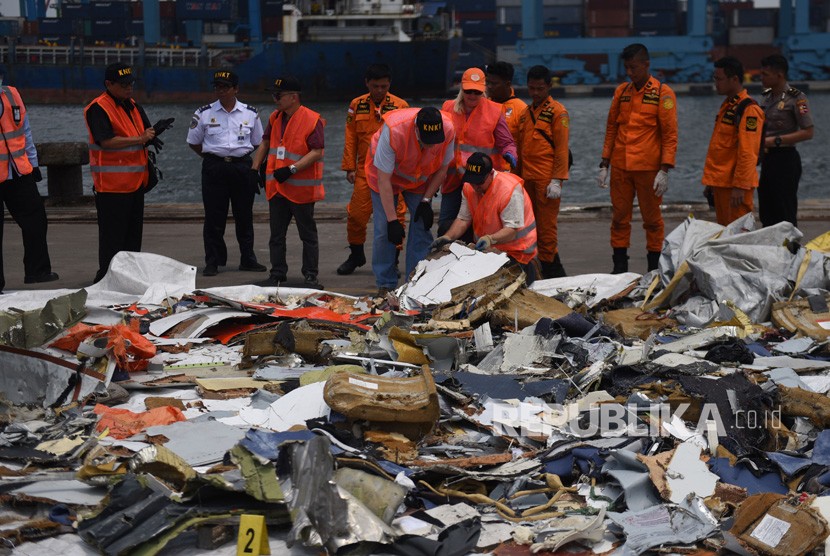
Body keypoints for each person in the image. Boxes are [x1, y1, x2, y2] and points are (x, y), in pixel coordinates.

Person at [598, 43, 678, 274]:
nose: (630, 73)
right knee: (619, 219)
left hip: (649, 169)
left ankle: (654, 269)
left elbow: (670, 135)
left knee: (652, 221)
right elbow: (611, 128)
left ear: (646, 65)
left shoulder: (663, 94)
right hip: (621, 168)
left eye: (634, 68)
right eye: (627, 68)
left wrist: (664, 170)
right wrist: (605, 163)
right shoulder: (621, 92)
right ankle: (619, 268)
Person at [366, 106, 455, 295]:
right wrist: (392, 220)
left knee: (422, 227)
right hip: (385, 177)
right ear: (416, 130)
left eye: (434, 142)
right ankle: (386, 284)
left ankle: (416, 282)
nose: (431, 146)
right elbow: (383, 179)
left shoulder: (448, 129)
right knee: (384, 231)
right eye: (426, 141)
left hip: (418, 180)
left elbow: (442, 169)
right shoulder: (394, 131)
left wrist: (426, 200)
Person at [187, 70, 266, 277]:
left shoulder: (251, 113)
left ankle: (247, 258)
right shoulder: (203, 113)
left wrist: (249, 165)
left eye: (225, 87)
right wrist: (213, 158)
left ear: (236, 89)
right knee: (214, 216)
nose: (220, 90)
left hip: (242, 167)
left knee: (244, 216)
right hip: (215, 168)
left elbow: (258, 142)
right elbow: (193, 142)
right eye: (217, 87)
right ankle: (213, 261)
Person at [250, 76, 325, 289]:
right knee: (276, 235)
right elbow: (265, 142)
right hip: (278, 187)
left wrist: (292, 169)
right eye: (274, 95)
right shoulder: (275, 117)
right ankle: (277, 274)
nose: (275, 99)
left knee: (307, 234)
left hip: (301, 189)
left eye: (278, 95)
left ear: (293, 97)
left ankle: (310, 275)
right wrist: (254, 169)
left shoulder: (312, 119)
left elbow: (317, 151)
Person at [84, 62, 155, 283]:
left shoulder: (132, 105)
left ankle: (130, 280)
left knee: (132, 240)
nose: (129, 88)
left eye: (131, 83)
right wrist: (141, 138)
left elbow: (145, 131)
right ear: (109, 84)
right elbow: (105, 141)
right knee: (112, 241)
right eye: (124, 84)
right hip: (112, 187)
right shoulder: (98, 108)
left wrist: (154, 132)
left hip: (135, 183)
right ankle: (105, 279)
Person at [338, 63, 409, 276]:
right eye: (376, 86)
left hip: (393, 172)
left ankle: (393, 260)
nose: (380, 90)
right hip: (364, 170)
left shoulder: (401, 105)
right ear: (367, 83)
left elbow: (408, 139)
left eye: (384, 86)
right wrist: (349, 167)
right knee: (356, 215)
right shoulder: (356, 105)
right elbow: (350, 135)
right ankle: (356, 254)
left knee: (396, 216)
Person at [431, 152, 539, 284]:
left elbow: (511, 231)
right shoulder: (469, 187)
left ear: (491, 174)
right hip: (486, 247)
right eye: (473, 181)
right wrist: (447, 237)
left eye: (480, 182)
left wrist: (490, 239)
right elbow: (463, 219)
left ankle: (529, 271)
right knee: (446, 228)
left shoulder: (508, 190)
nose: (476, 187)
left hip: (516, 251)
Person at [438, 67, 517, 236]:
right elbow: (438, 144)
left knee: (479, 227)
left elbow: (507, 142)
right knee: (446, 225)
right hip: (453, 179)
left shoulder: (494, 111)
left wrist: (510, 154)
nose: (472, 96)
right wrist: (433, 175)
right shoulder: (447, 108)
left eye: (477, 92)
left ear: (483, 90)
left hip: (481, 181)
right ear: (461, 88)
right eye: (468, 91)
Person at [0, 79, 57, 292]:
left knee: (36, 219)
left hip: (18, 171)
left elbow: (25, 132)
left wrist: (33, 164)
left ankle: (38, 271)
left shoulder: (12, 94)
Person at [516, 65, 569, 279]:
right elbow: (520, 151)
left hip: (547, 180)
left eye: (540, 88)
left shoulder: (558, 112)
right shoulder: (525, 114)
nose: (535, 93)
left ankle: (552, 274)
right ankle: (537, 271)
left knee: (547, 231)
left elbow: (562, 149)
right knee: (528, 228)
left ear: (548, 86)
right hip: (527, 178)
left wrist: (557, 180)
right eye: (531, 88)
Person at [702, 57, 765, 226]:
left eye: (719, 78)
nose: (716, 83)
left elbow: (748, 152)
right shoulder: (728, 106)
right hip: (722, 183)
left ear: (734, 79)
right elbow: (721, 148)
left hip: (735, 187)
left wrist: (740, 186)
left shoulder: (749, 110)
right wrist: (711, 183)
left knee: (739, 238)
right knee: (725, 235)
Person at [758, 54, 813, 228]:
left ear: (779, 75)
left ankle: (790, 250)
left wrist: (776, 140)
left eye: (765, 74)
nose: (761, 78)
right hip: (767, 160)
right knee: (767, 208)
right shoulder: (766, 97)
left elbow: (808, 132)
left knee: (784, 209)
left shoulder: (797, 98)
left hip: (785, 158)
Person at [485, 61, 526, 142]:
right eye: (487, 82)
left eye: (494, 83)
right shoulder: (482, 105)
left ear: (507, 84)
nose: (489, 86)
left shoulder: (522, 110)